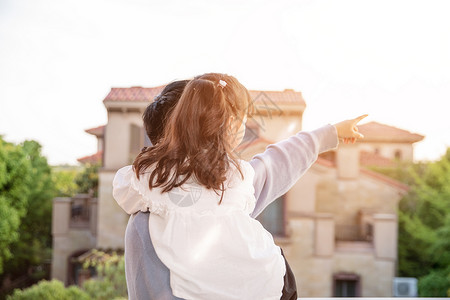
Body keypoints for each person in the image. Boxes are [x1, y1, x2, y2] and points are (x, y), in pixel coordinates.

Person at [113, 73, 366, 300]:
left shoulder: (221, 181)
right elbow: (272, 164)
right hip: (273, 283)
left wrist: (327, 134)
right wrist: (327, 134)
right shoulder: (223, 182)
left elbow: (273, 163)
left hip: (271, 282)